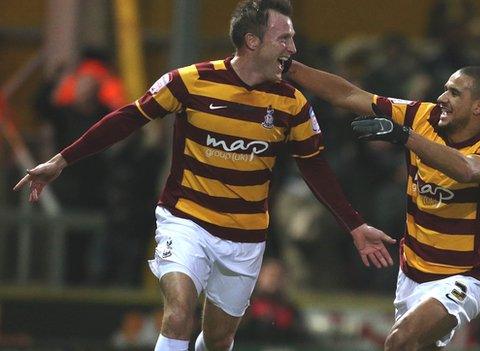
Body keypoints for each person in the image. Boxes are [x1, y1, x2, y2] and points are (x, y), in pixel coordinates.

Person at [13, 1, 396, 350]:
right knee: (179, 313)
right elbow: (128, 119)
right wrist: (61, 160)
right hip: (186, 222)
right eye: (284, 38)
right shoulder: (189, 82)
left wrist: (354, 225)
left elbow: (314, 166)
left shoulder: (291, 103)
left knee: (218, 338)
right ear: (252, 41)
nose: (292, 49)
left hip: (244, 237)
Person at [286, 61, 480, 350]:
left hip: (463, 277)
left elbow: (468, 170)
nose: (442, 98)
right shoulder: (421, 116)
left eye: (454, 93)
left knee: (399, 341)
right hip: (412, 273)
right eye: (445, 90)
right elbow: (349, 95)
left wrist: (404, 136)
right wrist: (290, 69)